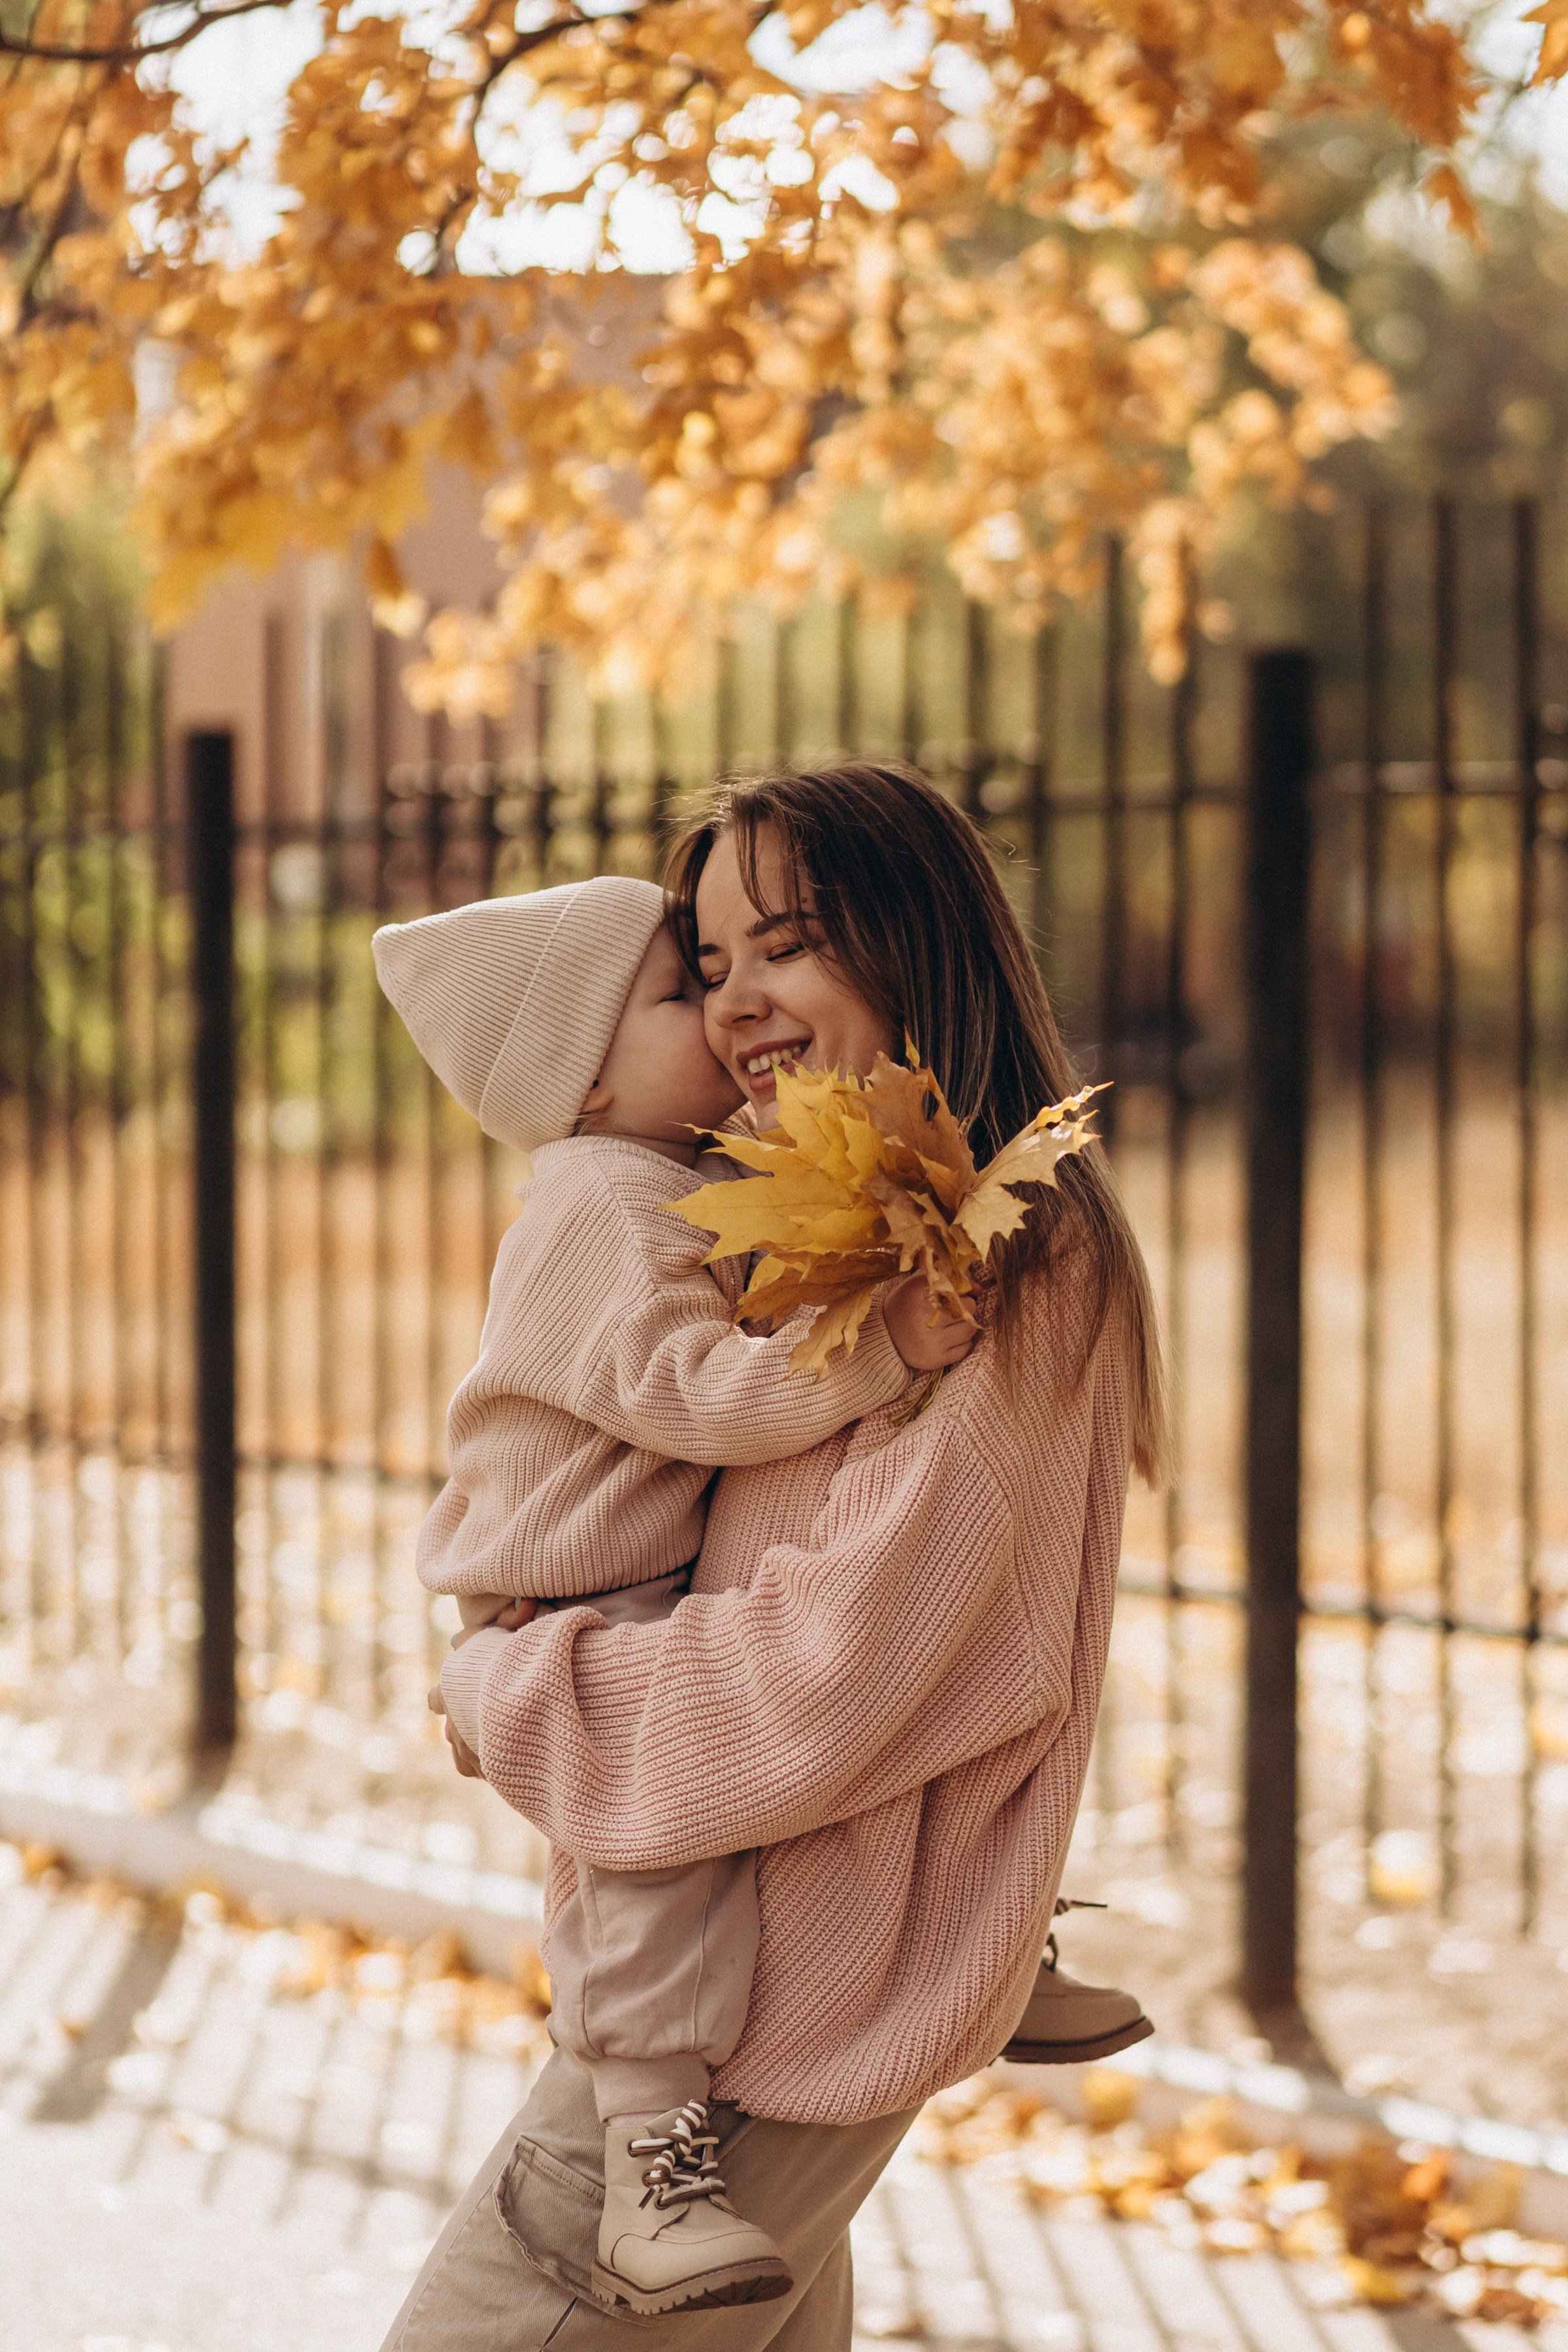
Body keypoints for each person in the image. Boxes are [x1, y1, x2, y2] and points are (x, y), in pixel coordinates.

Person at [385, 763, 1167, 2352]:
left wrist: (517, 1695)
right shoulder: (824, 1230)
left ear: (911, 942)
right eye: (711, 960)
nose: (737, 1001)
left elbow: (835, 1675)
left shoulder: (998, 1256)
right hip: (762, 1970)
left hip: (768, 2020)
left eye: (785, 944)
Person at [374, 874, 979, 2316]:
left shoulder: (679, 1176)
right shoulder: (597, 1196)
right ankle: (651, 2164)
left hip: (630, 1566)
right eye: (677, 992)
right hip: (568, 1596)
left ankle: (1007, 1939)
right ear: (579, 1079)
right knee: (659, 1859)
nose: (720, 1012)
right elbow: (688, 1394)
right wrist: (884, 1349)